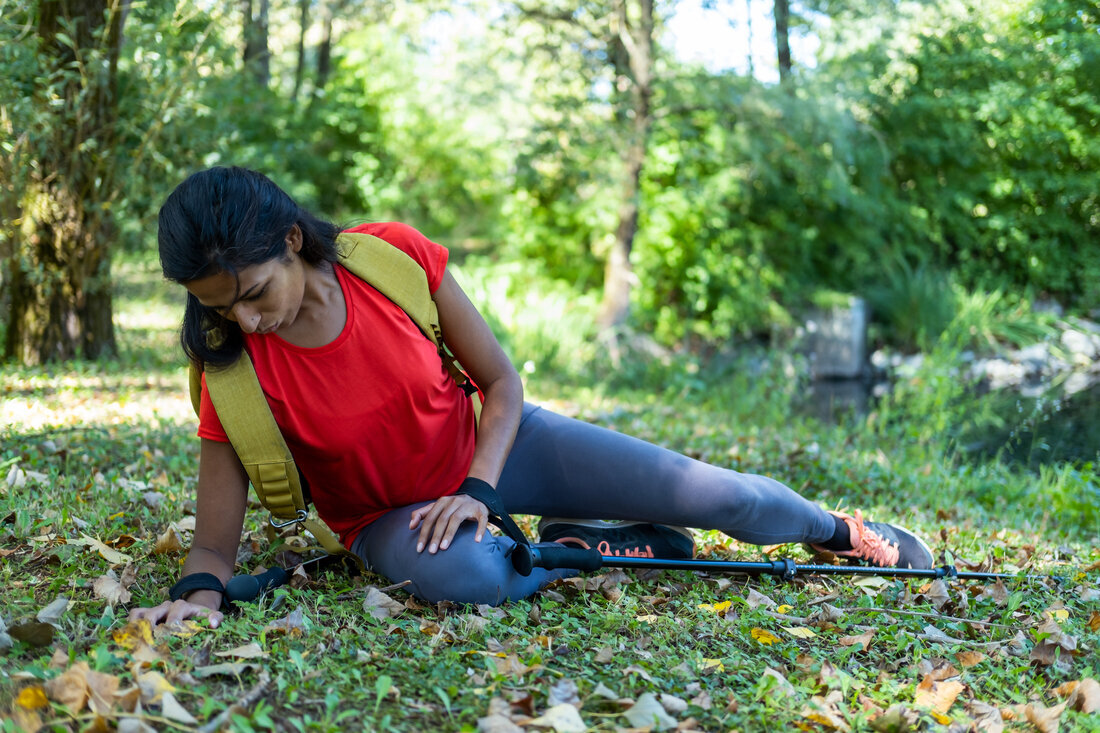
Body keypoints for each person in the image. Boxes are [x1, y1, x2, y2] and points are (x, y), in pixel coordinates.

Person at [129, 167, 933, 629]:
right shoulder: (230, 372)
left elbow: (503, 382)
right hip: (394, 521)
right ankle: (584, 548)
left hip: (497, 452)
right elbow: (213, 551)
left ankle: (839, 532)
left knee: (712, 490)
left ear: (292, 242)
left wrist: (480, 486)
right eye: (217, 306)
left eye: (253, 292)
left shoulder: (389, 260)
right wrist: (198, 597)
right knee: (473, 579)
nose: (243, 318)